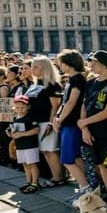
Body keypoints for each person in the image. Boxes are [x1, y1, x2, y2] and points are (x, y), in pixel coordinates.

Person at [78, 50, 107, 204]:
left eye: (95, 62)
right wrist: (84, 127)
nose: (92, 65)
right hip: (91, 130)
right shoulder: (90, 83)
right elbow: (84, 105)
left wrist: (85, 122)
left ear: (104, 65)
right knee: (100, 164)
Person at [54, 51, 91, 199]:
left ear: (69, 63)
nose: (59, 65)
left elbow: (72, 102)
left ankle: (86, 187)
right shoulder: (71, 79)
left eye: (61, 63)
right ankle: (84, 187)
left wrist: (60, 119)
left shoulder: (78, 79)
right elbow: (65, 102)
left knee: (67, 159)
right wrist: (58, 117)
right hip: (68, 123)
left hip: (71, 123)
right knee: (75, 158)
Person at [25, 56, 66, 185]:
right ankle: (55, 175)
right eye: (32, 66)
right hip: (35, 122)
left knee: (50, 150)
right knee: (45, 150)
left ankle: (58, 177)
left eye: (35, 67)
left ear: (44, 68)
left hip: (46, 121)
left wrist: (50, 123)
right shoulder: (35, 84)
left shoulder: (53, 85)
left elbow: (56, 106)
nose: (32, 69)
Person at [8, 96, 41, 193]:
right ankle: (28, 182)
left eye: (23, 107)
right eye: (17, 108)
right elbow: (11, 128)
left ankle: (35, 183)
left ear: (28, 107)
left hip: (30, 145)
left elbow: (36, 130)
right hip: (20, 145)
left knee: (32, 164)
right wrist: (10, 132)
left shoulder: (30, 117)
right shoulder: (14, 117)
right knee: (25, 164)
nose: (20, 110)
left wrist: (21, 134)